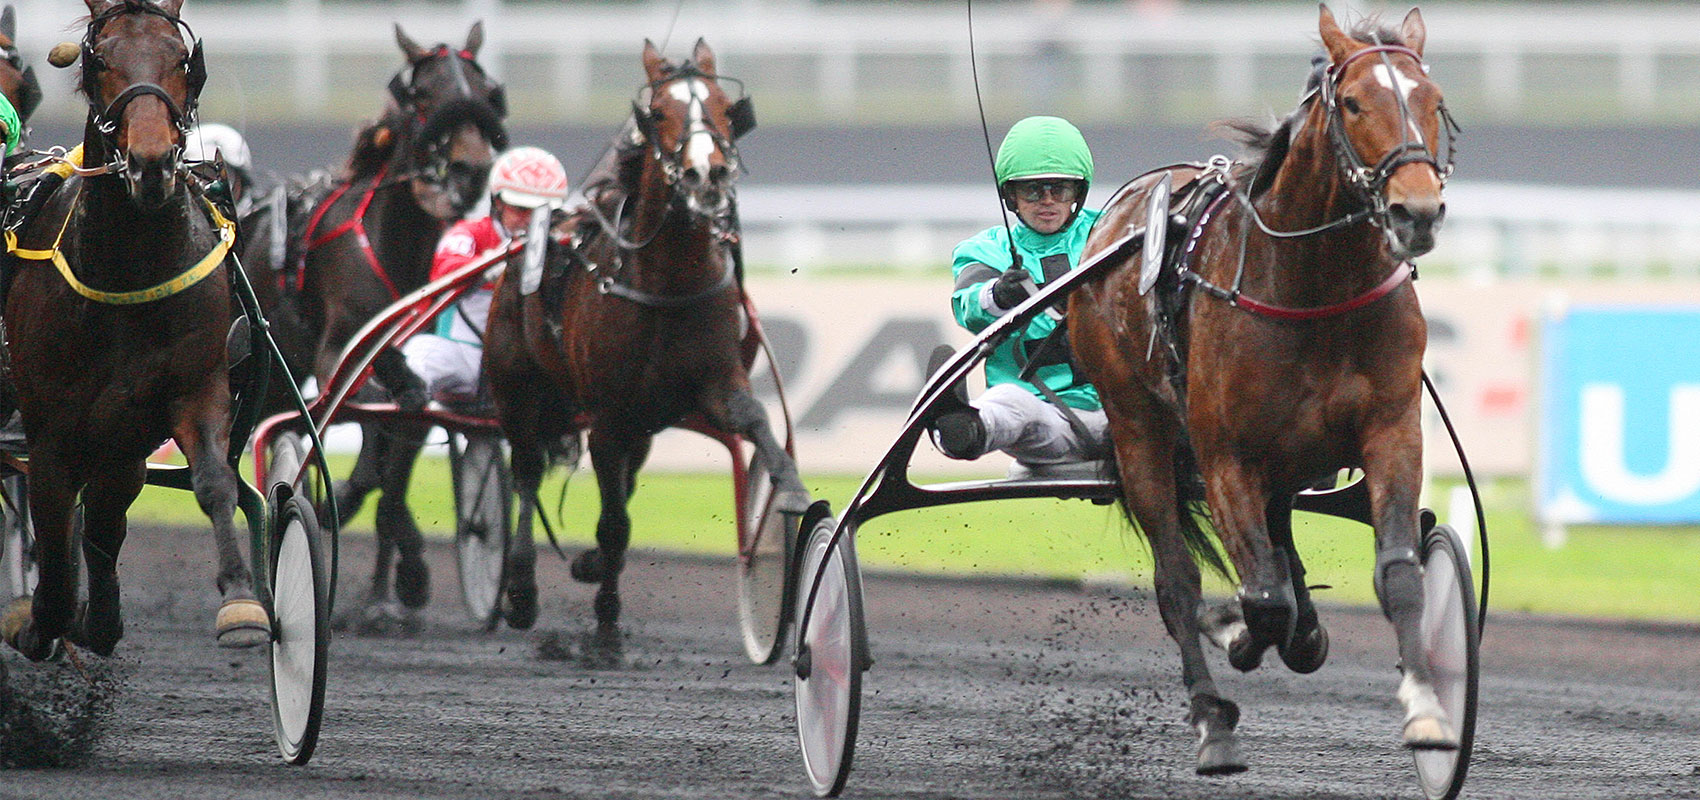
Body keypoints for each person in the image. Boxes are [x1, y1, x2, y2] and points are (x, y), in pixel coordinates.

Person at [930, 115, 1110, 466]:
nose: (1047, 201)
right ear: (1010, 195)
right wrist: (998, 294)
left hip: (1127, 416)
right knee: (1011, 402)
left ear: (1078, 192)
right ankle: (964, 430)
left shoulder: (1114, 230)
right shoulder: (985, 250)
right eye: (1032, 190)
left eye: (1059, 189)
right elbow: (968, 306)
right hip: (1046, 420)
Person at [400, 145, 569, 404]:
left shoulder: (562, 245)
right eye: (521, 208)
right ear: (498, 202)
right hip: (465, 356)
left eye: (542, 211)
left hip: (527, 366)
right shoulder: (470, 233)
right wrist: (493, 268)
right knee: (422, 351)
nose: (530, 220)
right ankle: (406, 386)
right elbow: (444, 270)